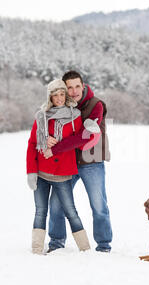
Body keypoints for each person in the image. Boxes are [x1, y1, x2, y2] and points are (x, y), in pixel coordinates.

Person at [43, 70, 113, 252]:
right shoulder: (60, 107)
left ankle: (104, 245)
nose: (74, 91)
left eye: (77, 86)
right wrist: (48, 139)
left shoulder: (96, 105)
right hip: (68, 162)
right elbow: (46, 129)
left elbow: (84, 136)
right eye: (69, 88)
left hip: (92, 162)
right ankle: (56, 242)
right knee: (56, 204)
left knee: (99, 205)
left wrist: (55, 148)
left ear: (83, 86)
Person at [26, 78, 97, 254]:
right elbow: (32, 143)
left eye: (62, 94)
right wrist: (31, 172)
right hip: (42, 172)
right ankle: (36, 249)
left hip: (63, 173)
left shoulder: (75, 115)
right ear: (50, 97)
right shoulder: (41, 116)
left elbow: (79, 141)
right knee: (40, 211)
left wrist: (58, 145)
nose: (59, 98)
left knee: (70, 211)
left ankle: (85, 249)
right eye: (55, 95)